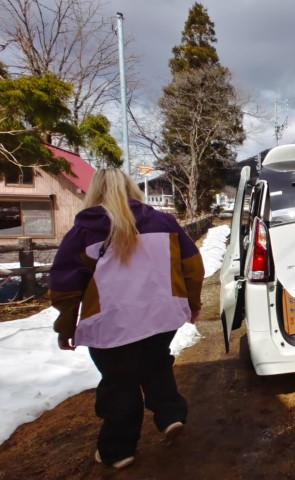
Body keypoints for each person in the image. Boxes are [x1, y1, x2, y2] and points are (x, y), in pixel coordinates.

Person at [49, 168, 204, 469]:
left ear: (94, 192)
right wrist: (192, 303)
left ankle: (118, 450)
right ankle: (170, 415)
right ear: (132, 188)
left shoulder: (85, 231)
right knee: (156, 364)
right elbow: (193, 266)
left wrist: (65, 327)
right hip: (162, 316)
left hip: (111, 324)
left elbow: (65, 286)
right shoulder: (164, 223)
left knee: (119, 384)